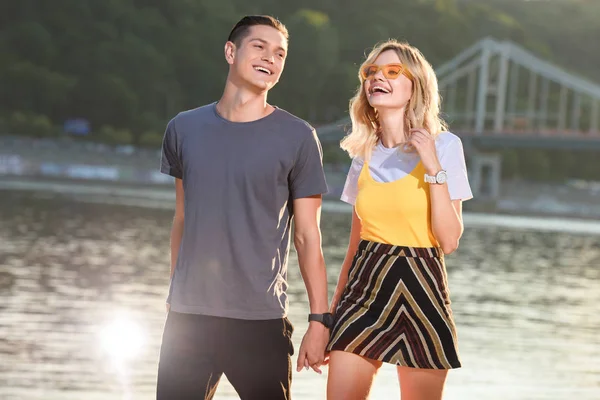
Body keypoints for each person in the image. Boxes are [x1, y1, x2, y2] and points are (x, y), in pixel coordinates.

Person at [156, 15, 331, 400]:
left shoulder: (299, 137)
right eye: (260, 47)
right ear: (230, 52)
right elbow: (183, 218)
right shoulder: (183, 129)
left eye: (280, 53)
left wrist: (320, 320)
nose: (271, 58)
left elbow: (307, 236)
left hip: (260, 321)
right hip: (189, 320)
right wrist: (175, 293)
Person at [326, 40, 473, 400]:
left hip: (422, 285)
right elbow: (355, 243)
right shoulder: (362, 152)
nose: (377, 77)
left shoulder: (446, 146)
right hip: (363, 288)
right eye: (371, 72)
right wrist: (330, 315)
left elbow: (449, 240)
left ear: (415, 85)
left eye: (393, 72)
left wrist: (433, 165)